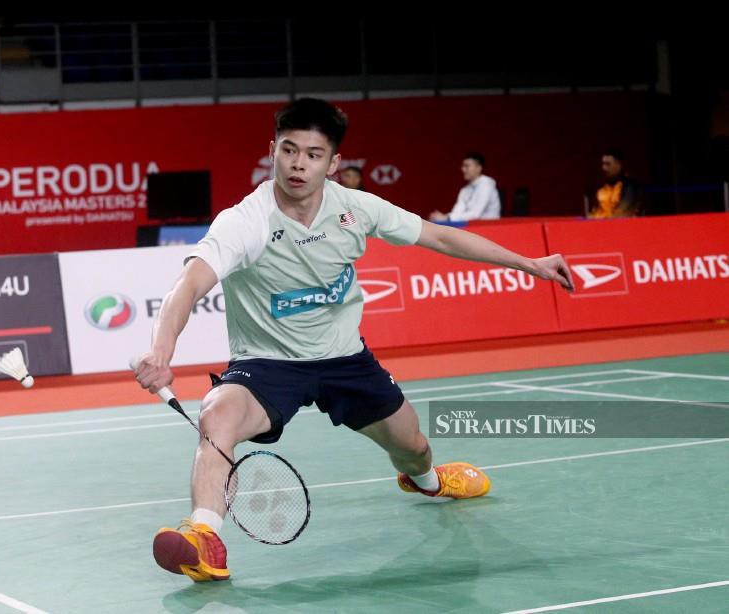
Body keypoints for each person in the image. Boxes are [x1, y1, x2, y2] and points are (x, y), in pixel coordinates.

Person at [134, 98, 573, 582]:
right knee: (215, 415)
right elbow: (190, 283)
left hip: (346, 359)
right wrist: (161, 350)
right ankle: (203, 538)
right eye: (289, 150)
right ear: (273, 151)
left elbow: (441, 237)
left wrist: (530, 263)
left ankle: (427, 482)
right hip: (268, 363)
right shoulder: (245, 221)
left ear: (333, 163)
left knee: (414, 446)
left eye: (313, 154)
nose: (299, 163)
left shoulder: (354, 209)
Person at [430, 153, 501, 222]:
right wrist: (443, 217)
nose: (463, 169)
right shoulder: (465, 190)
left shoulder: (487, 184)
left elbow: (476, 214)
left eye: (467, 166)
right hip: (470, 228)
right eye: (463, 166)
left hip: (490, 227)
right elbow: (457, 212)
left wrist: (447, 217)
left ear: (478, 168)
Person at [588, 149, 640, 218]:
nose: (603, 168)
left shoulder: (630, 187)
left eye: (608, 164)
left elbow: (622, 214)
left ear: (618, 165)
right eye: (603, 164)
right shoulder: (603, 188)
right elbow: (595, 212)